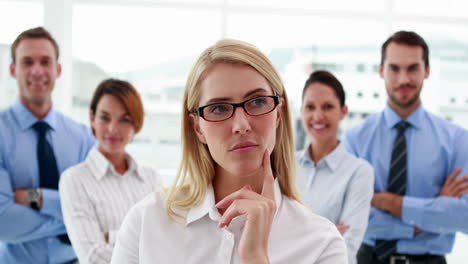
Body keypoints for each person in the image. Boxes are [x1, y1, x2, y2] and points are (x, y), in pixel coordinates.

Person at [111, 39, 347, 264]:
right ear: (198, 127)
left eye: (257, 102)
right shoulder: (147, 223)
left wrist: (256, 257)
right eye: (219, 108)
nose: (241, 125)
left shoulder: (321, 244)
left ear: (278, 113)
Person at [343, 31, 468, 264]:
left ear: (427, 70)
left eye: (413, 68)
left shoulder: (457, 139)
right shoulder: (355, 140)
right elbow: (349, 218)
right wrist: (426, 218)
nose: (403, 79)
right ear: (381, 70)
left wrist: (390, 203)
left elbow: (464, 217)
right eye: (394, 68)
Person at [0, 27, 95, 263]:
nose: (37, 70)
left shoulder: (82, 137)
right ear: (13, 69)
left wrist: (36, 197)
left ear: (58, 69)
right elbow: (3, 221)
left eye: (45, 61)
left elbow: (98, 210)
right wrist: (72, 220)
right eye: (27, 62)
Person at [59, 78, 161, 264]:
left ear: (136, 124)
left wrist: (112, 237)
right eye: (105, 118)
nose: (113, 129)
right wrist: (148, 243)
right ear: (92, 118)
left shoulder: (151, 178)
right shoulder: (74, 180)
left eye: (125, 119)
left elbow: (167, 240)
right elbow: (93, 256)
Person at [296, 70, 374, 264]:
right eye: (310, 107)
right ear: (302, 111)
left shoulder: (359, 172)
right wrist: (326, 237)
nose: (318, 115)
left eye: (328, 106)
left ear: (343, 112)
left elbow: (345, 251)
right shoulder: (284, 165)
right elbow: (271, 236)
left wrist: (296, 241)